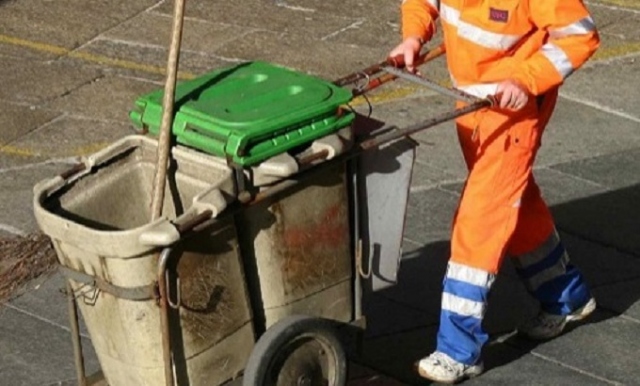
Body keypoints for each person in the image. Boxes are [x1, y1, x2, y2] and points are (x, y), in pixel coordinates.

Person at [389, 0, 600, 383]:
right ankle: (567, 296)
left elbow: (581, 35)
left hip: (515, 113)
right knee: (515, 204)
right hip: (473, 104)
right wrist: (412, 38)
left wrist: (527, 79)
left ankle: (458, 349)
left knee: (479, 220)